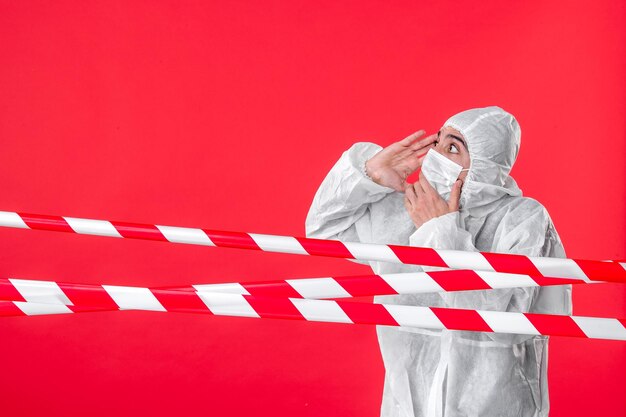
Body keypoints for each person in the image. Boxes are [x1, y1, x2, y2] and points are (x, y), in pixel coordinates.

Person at [305, 106, 572, 417]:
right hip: (407, 404)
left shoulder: (521, 218)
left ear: (486, 166)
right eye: (437, 143)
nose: (436, 156)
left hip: (496, 404)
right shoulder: (407, 207)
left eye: (453, 147)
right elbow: (323, 231)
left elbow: (505, 320)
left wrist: (440, 233)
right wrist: (369, 174)